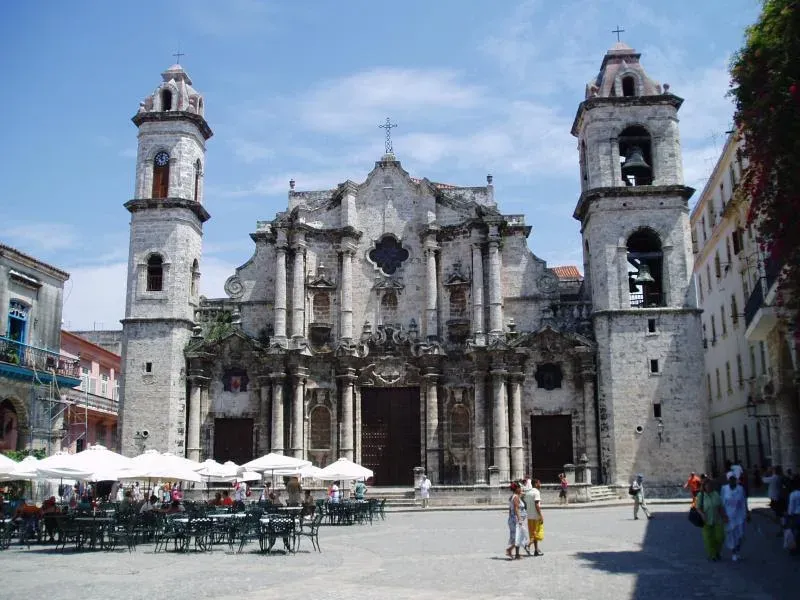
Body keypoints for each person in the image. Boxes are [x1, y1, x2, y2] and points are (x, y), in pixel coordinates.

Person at [695, 478, 724, 561]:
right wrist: (702, 514)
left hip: (717, 519)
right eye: (707, 486)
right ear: (704, 487)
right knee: (708, 539)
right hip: (706, 521)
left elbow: (720, 506)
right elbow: (698, 507)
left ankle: (717, 551)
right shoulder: (701, 495)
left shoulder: (716, 494)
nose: (709, 487)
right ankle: (713, 555)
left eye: (711, 485)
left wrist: (724, 516)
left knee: (720, 537)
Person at [721, 470, 747, 561]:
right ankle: (734, 552)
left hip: (740, 515)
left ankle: (737, 549)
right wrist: (723, 515)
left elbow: (744, 502)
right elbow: (722, 502)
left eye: (734, 479)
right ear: (728, 480)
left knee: (741, 534)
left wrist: (747, 513)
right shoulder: (724, 489)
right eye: (731, 479)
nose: (732, 481)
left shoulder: (740, 488)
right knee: (731, 535)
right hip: (729, 516)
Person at [505, 482, 527, 560]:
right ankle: (510, 550)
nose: (521, 489)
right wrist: (520, 519)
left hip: (512, 519)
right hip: (516, 520)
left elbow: (510, 509)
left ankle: (516, 553)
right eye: (520, 488)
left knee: (518, 536)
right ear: (517, 489)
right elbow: (516, 509)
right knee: (519, 536)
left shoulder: (513, 497)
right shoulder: (516, 497)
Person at [523, 478, 544, 557]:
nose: (540, 484)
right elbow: (536, 505)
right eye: (539, 483)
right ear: (535, 484)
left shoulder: (528, 493)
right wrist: (540, 515)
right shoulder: (536, 492)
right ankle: (528, 545)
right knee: (537, 533)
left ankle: (536, 550)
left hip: (530, 516)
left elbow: (525, 502)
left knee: (533, 533)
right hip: (536, 516)